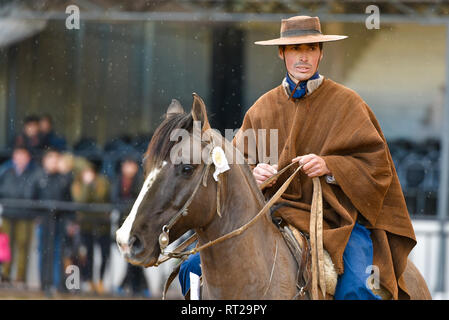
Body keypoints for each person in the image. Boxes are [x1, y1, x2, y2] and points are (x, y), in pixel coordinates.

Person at [181, 16, 417, 300]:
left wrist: (331, 166)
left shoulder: (349, 104)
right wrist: (251, 174)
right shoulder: (260, 109)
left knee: (358, 287)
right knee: (192, 269)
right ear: (282, 53)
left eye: (311, 48)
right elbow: (232, 170)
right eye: (294, 49)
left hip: (335, 222)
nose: (303, 56)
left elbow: (377, 168)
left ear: (321, 53)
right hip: (271, 215)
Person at [30, 148, 72, 291]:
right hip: (44, 220)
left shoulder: (63, 178)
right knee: (44, 252)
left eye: (56, 159)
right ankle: (45, 283)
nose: (54, 162)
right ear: (45, 160)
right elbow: (31, 197)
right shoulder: (38, 177)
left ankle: (57, 284)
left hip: (59, 220)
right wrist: (38, 214)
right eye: (51, 159)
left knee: (58, 252)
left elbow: (69, 199)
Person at [111, 156, 149, 297]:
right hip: (122, 225)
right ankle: (139, 287)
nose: (128, 168)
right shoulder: (118, 181)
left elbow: (138, 201)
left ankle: (134, 286)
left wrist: (126, 205)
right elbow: (114, 199)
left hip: (136, 225)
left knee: (134, 256)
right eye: (126, 164)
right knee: (131, 257)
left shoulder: (139, 181)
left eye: (131, 165)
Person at [71, 163, 111, 294]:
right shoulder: (77, 184)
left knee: (104, 254)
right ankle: (89, 281)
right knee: (88, 255)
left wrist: (92, 185)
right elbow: (81, 200)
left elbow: (102, 197)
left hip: (102, 225)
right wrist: (87, 186)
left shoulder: (102, 182)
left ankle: (100, 280)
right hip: (86, 225)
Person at [0, 146, 37, 284]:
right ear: (13, 158)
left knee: (23, 246)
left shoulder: (33, 174)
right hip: (8, 213)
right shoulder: (6, 173)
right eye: (18, 156)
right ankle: (5, 275)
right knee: (5, 246)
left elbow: (32, 194)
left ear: (28, 158)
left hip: (25, 215)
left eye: (23, 156)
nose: (20, 159)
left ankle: (20, 279)